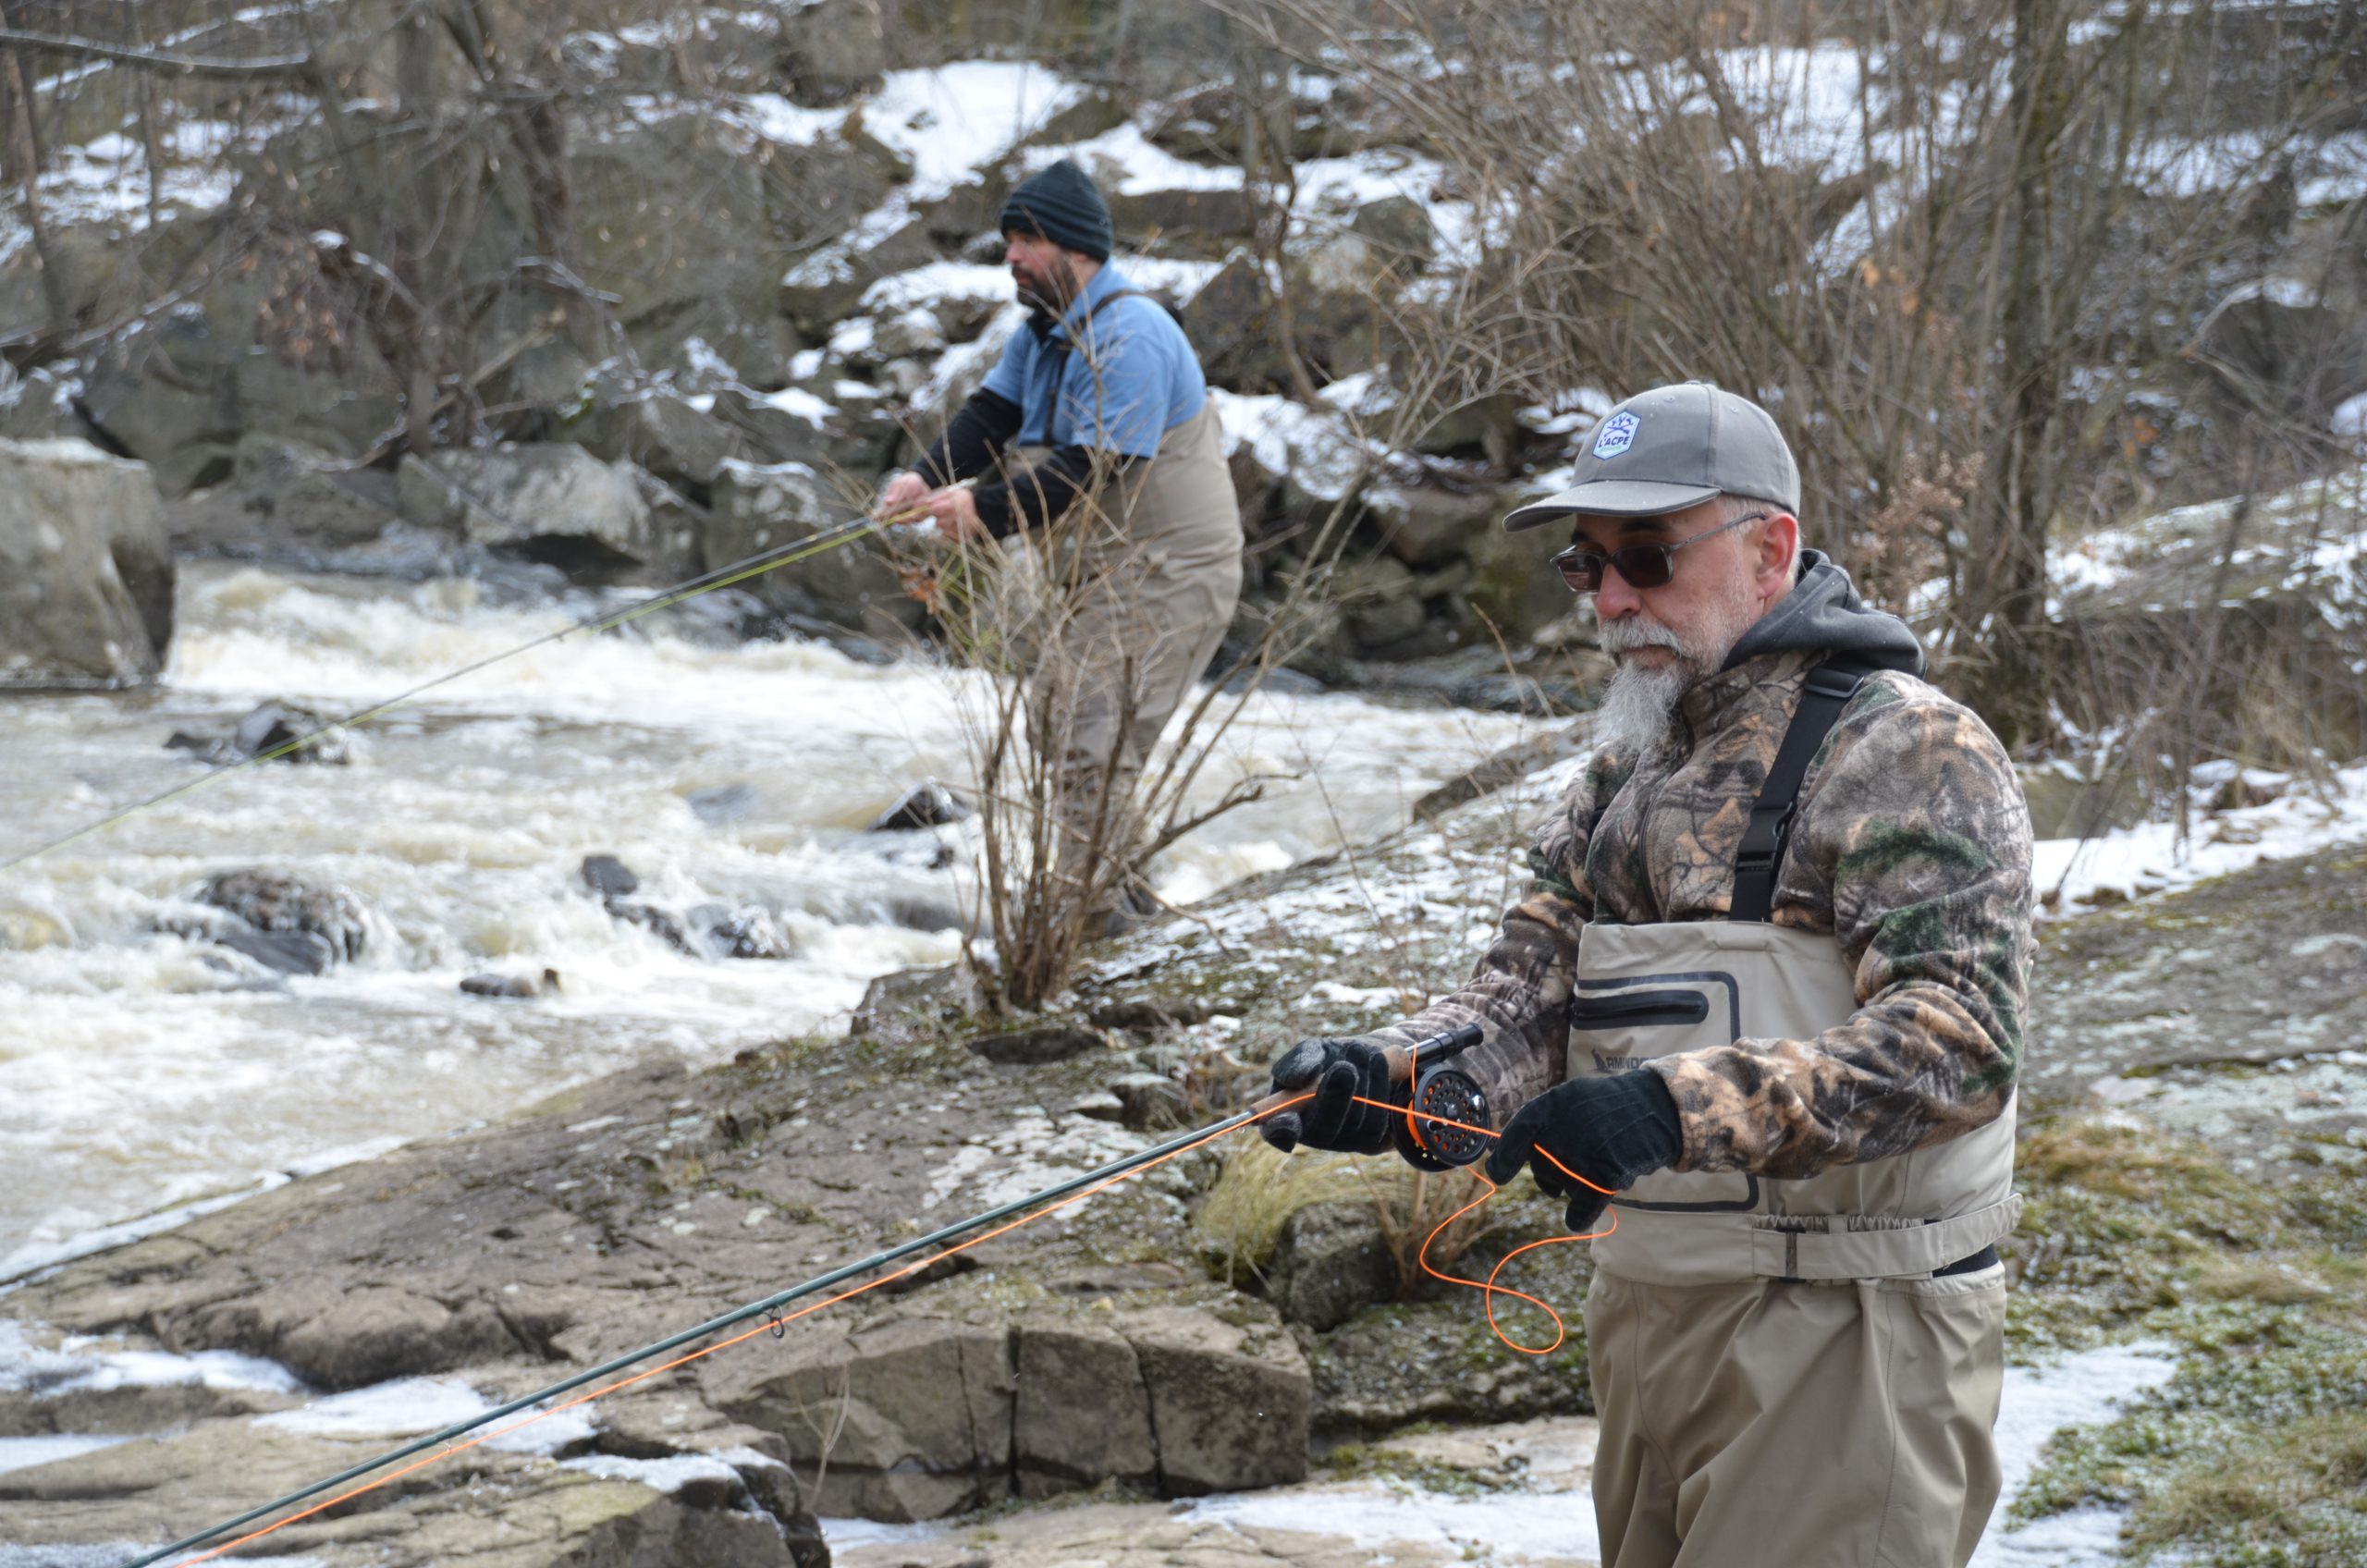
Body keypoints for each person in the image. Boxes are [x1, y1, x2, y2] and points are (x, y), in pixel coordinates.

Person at [1264, 382, 2034, 1568]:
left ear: (1769, 550)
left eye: (1647, 555)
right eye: (1585, 563)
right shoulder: (1621, 768)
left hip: (1850, 1332)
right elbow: (1527, 992)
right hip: (1654, 1316)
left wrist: (1664, 1109)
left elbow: (1958, 1041)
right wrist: (1398, 1079)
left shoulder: (1909, 749)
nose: (1612, 597)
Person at [877, 159, 1242, 921]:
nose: (1010, 255)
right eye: (1008, 239)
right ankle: (1129, 909)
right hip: (1110, 574)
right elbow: (989, 420)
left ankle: (1096, 921)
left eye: (1027, 241)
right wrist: (922, 479)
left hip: (1175, 571)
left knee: (1090, 733)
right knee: (1063, 719)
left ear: (1077, 249)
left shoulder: (1133, 334)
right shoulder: (1041, 334)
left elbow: (1094, 466)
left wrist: (981, 511)